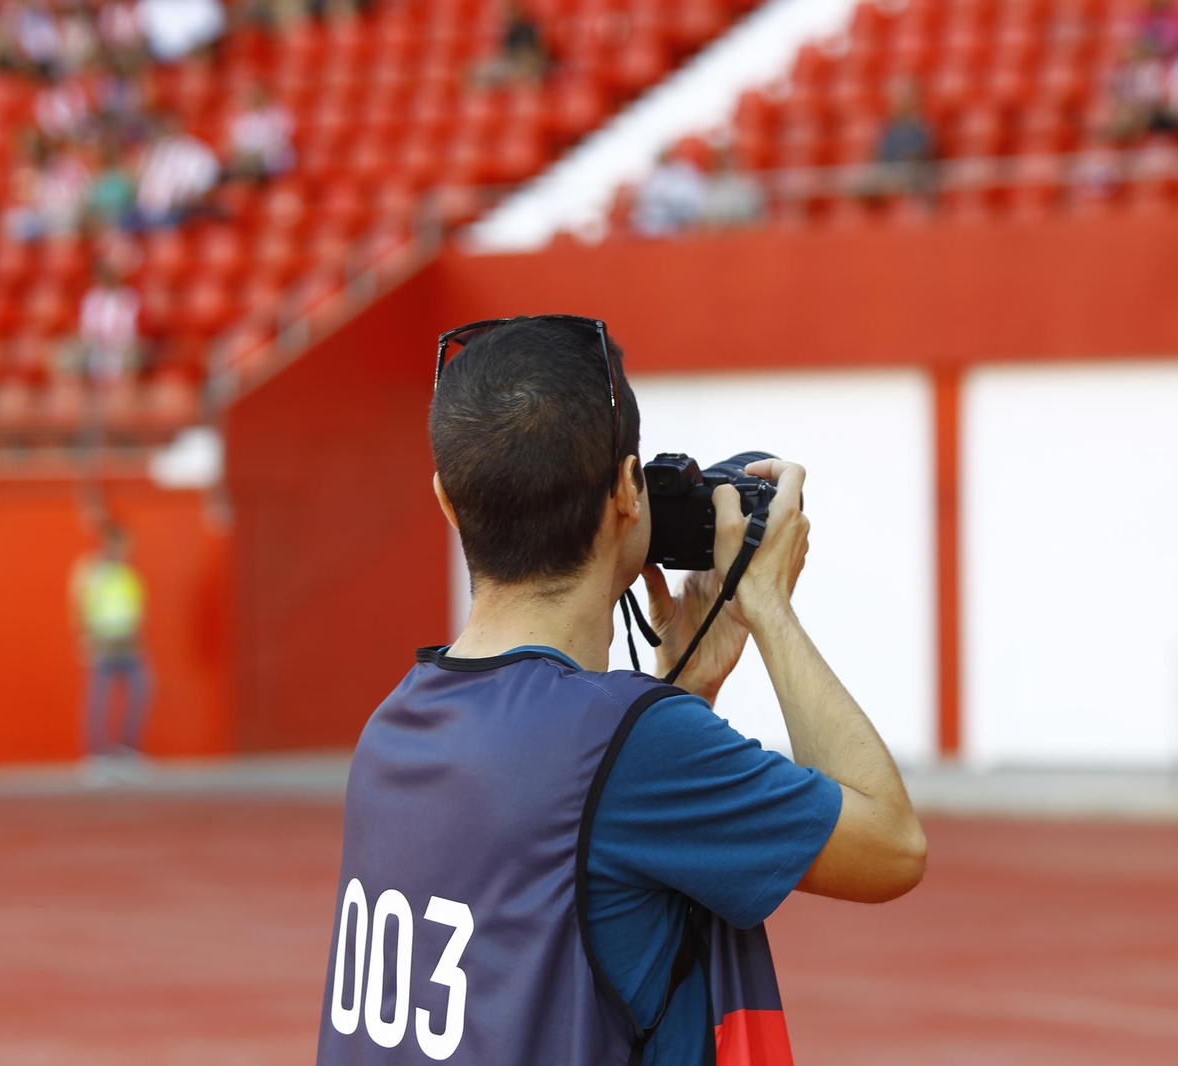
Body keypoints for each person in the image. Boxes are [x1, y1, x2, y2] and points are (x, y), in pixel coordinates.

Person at [315, 317, 926, 1065]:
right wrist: (766, 606)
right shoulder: (629, 743)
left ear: (448, 500)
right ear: (629, 490)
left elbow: (587, 888)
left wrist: (683, 687)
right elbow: (892, 846)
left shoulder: (394, 725)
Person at [70, 522, 151, 772]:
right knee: (99, 699)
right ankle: (97, 756)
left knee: (141, 690)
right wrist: (83, 636)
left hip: (128, 642)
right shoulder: (94, 570)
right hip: (103, 642)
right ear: (111, 542)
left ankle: (128, 751)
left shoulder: (127, 572)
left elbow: (134, 606)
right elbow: (79, 601)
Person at [631, 148, 708, 237]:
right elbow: (644, 201)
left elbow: (694, 202)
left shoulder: (686, 173)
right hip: (652, 227)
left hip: (679, 226)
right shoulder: (654, 177)